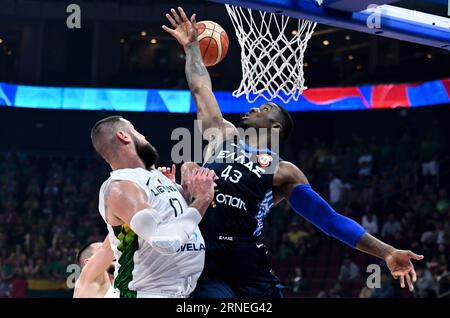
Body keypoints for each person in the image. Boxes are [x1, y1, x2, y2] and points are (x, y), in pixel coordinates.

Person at [163, 6, 424, 298]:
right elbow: (200, 88)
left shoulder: (283, 170)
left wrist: (386, 252)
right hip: (204, 250)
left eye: (264, 108)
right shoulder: (221, 134)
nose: (252, 108)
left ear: (275, 127)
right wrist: (191, 49)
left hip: (246, 256)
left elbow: (329, 220)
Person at [91, 116, 217, 298]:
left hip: (181, 293)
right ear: (123, 136)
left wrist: (186, 197)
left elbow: (179, 223)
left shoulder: (154, 177)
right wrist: (203, 198)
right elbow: (165, 241)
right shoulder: (121, 186)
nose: (143, 135)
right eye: (134, 129)